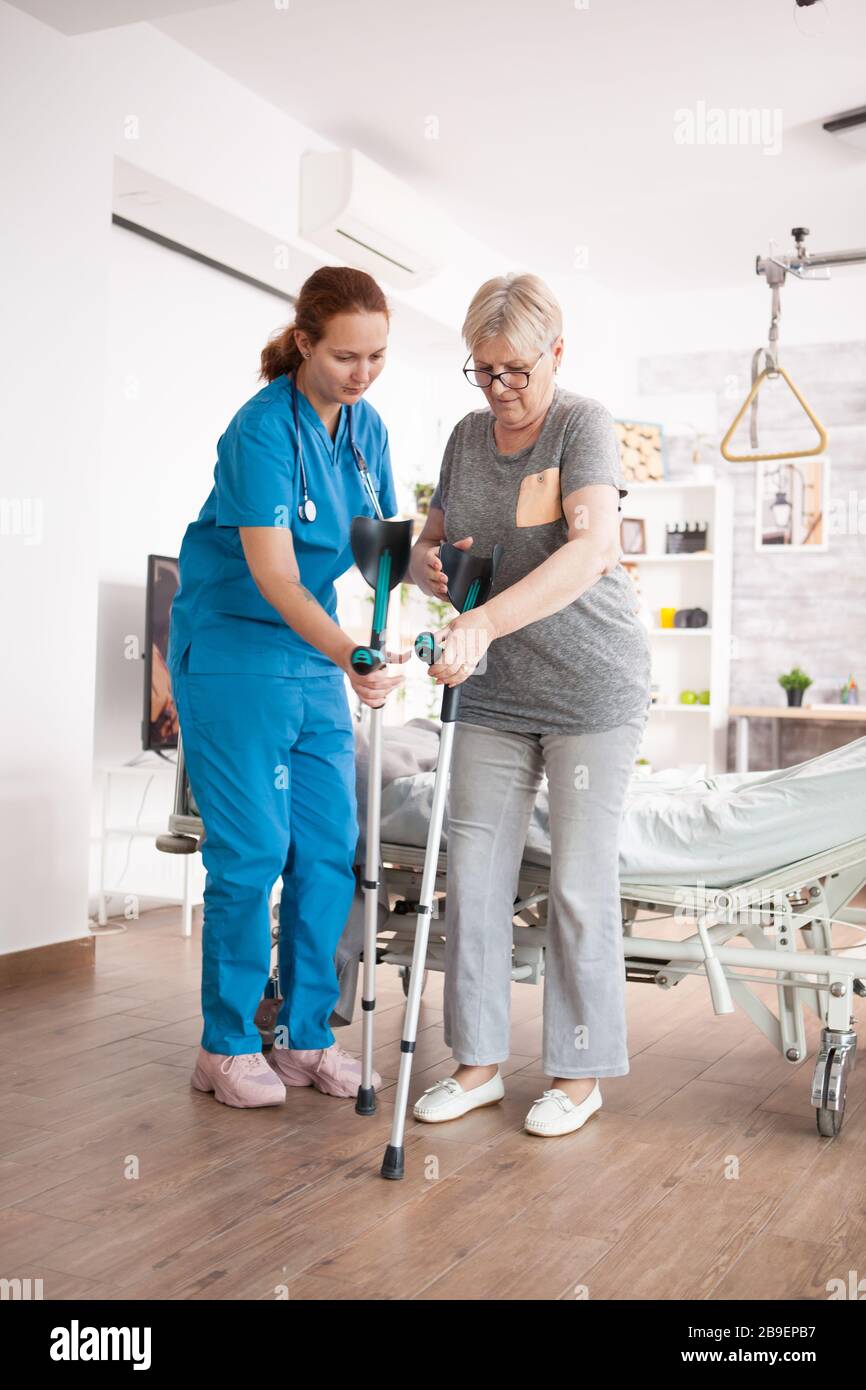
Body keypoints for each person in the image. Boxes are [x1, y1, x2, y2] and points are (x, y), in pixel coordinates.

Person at [407, 272, 651, 1138]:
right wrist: (421, 565)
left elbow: (591, 552)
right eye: (484, 370)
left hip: (593, 689)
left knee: (580, 885)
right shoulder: (467, 438)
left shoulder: (584, 425)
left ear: (556, 352)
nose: (502, 390)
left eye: (518, 370)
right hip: (493, 690)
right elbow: (433, 540)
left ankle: (579, 1076)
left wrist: (479, 620)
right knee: (473, 878)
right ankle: (476, 1066)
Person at [167, 266, 407, 1109]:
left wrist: (418, 586)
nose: (363, 373)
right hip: (235, 650)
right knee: (254, 855)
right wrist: (352, 654)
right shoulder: (260, 432)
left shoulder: (366, 427)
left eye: (377, 355)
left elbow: (378, 547)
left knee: (328, 854)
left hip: (313, 657)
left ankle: (306, 1037)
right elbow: (274, 576)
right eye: (346, 355)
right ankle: (224, 1044)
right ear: (305, 342)